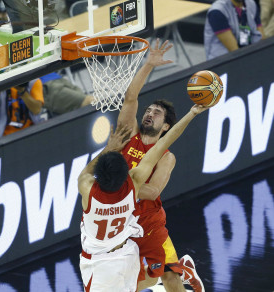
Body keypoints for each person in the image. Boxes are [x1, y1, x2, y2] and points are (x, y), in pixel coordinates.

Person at [78, 104, 208, 292]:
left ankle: (175, 271)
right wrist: (192, 113)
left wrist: (109, 148)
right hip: (125, 253)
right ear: (126, 174)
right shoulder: (132, 188)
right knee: (138, 284)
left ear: (98, 176)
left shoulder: (87, 188)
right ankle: (181, 271)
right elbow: (162, 145)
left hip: (100, 261)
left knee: (161, 279)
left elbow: (86, 173)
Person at [117, 39, 205, 292]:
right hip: (120, 220)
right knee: (126, 286)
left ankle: (180, 270)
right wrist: (148, 66)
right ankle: (182, 267)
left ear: (166, 127)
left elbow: (153, 191)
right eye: (149, 110)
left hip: (148, 222)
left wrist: (118, 184)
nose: (149, 113)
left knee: (170, 277)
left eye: (157, 113)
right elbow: (131, 98)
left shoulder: (166, 156)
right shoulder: (129, 134)